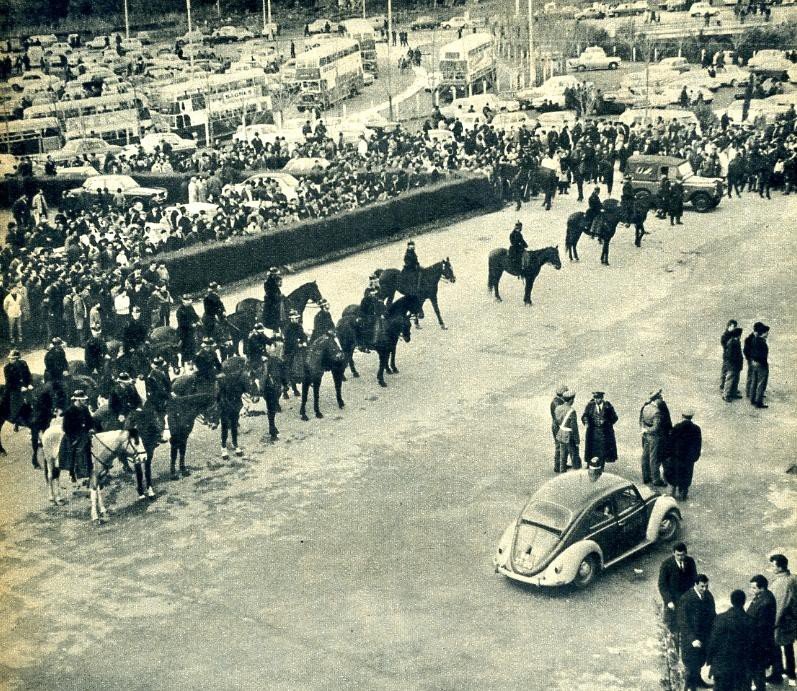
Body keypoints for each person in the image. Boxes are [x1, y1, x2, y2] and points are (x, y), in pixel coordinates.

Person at [706, 589, 753, 691]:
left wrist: (710, 661)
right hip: (742, 669)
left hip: (721, 667)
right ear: (744, 602)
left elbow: (713, 642)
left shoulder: (720, 618)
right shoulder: (750, 621)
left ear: (731, 601)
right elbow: (752, 647)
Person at [678, 574, 717, 691]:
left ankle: (698, 681)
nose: (704, 589)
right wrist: (692, 639)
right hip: (691, 639)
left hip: (704, 636)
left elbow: (713, 614)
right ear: (695, 585)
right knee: (691, 666)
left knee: (700, 661)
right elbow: (682, 621)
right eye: (702, 586)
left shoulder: (708, 596)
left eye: (706, 586)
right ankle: (689, 687)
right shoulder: (686, 598)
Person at [769, 554, 797, 686]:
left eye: (773, 565)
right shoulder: (793, 578)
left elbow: (780, 605)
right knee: (788, 646)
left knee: (775, 646)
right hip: (792, 620)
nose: (771, 568)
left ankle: (777, 674)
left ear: (780, 567)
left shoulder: (781, 583)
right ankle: (791, 672)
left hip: (781, 621)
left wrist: (773, 623)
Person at [658, 543, 699, 635]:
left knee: (689, 624)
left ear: (686, 553)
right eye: (678, 555)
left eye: (683, 555)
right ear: (673, 553)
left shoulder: (690, 562)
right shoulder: (666, 565)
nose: (680, 557)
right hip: (673, 601)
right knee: (673, 627)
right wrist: (669, 601)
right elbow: (662, 585)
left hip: (687, 599)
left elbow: (694, 579)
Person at [747, 574, 777, 691]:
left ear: (762, 588)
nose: (751, 590)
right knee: (756, 670)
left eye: (754, 588)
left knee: (757, 670)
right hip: (759, 643)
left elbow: (761, 627)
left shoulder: (765, 602)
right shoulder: (763, 597)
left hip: (759, 644)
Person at [665, 408, 702, 500]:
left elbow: (670, 442)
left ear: (682, 416)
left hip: (677, 457)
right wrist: (694, 457)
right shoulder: (696, 429)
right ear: (691, 417)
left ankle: (672, 495)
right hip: (688, 459)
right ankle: (683, 494)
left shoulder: (677, 427)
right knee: (686, 475)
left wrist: (668, 454)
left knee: (674, 475)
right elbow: (698, 445)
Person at [59, 390, 94, 485]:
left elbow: (90, 420)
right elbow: (66, 428)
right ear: (78, 400)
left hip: (84, 434)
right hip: (73, 435)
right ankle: (72, 472)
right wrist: (76, 435)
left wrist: (90, 428)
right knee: (75, 450)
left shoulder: (85, 409)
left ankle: (90, 469)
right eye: (83, 400)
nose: (85, 401)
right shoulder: (70, 411)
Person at [639, 388, 672, 487]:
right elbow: (656, 427)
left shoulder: (645, 407)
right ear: (656, 399)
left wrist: (644, 429)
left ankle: (646, 477)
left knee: (645, 456)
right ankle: (656, 479)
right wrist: (648, 430)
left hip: (646, 436)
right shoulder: (657, 411)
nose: (661, 399)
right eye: (660, 398)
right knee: (654, 459)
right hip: (655, 437)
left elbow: (641, 420)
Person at [581, 391, 618, 468]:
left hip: (604, 433)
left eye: (598, 398)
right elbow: (585, 415)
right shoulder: (590, 405)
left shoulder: (608, 406)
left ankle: (601, 466)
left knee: (602, 450)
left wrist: (605, 421)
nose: (597, 400)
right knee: (591, 450)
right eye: (595, 398)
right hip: (593, 432)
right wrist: (586, 421)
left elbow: (615, 418)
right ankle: (590, 466)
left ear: (602, 398)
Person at [216, 371, 247, 460]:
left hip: (233, 408)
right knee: (224, 428)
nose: (222, 381)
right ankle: (223, 447)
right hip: (224, 408)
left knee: (234, 426)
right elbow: (217, 399)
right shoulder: (219, 388)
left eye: (223, 379)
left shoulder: (233, 386)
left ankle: (235, 444)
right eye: (220, 380)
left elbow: (239, 397)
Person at [2, 350, 32, 427]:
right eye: (11, 359)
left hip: (26, 386)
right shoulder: (7, 368)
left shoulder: (23, 363)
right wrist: (20, 387)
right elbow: (9, 382)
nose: (12, 360)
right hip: (14, 388)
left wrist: (29, 384)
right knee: (15, 404)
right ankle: (16, 420)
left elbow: (28, 374)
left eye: (14, 359)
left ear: (18, 359)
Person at [743, 322, 770, 409]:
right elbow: (762, 355)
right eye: (766, 332)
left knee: (754, 381)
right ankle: (759, 402)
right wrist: (764, 364)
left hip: (754, 363)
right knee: (760, 383)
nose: (767, 334)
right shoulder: (761, 342)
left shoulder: (755, 339)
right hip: (760, 364)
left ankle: (752, 399)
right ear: (763, 333)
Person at [554, 390, 581, 473]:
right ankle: (577, 475)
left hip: (561, 434)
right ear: (571, 400)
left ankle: (562, 475)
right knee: (575, 457)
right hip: (569, 436)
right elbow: (574, 427)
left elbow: (557, 421)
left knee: (562, 457)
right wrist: (577, 440)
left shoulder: (558, 408)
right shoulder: (571, 411)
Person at [721, 322, 744, 402]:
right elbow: (730, 355)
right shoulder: (732, 342)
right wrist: (735, 361)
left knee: (735, 379)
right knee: (730, 379)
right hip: (733, 365)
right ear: (738, 335)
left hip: (736, 365)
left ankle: (733, 392)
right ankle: (726, 395)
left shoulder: (736, 341)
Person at [176, 294, 199, 369]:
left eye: (190, 300)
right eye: (187, 300)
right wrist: (191, 325)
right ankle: (185, 363)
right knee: (187, 345)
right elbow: (181, 323)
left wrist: (198, 320)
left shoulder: (190, 307)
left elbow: (195, 315)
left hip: (192, 328)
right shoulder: (180, 311)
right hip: (184, 331)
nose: (189, 301)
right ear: (183, 301)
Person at [550, 384, 567, 472]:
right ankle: (558, 466)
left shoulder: (555, 401)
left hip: (555, 426)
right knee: (559, 446)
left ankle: (560, 464)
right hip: (558, 427)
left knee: (559, 446)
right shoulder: (558, 403)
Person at [262, 267, 284, 334]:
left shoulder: (275, 280)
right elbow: (269, 292)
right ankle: (274, 323)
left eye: (277, 274)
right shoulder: (267, 282)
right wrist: (277, 296)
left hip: (277, 297)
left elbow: (278, 288)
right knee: (272, 309)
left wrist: (280, 295)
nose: (277, 275)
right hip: (270, 299)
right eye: (275, 274)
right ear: (272, 275)